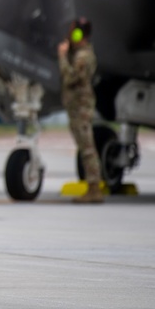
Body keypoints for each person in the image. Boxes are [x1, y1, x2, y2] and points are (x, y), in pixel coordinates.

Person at [57, 17, 105, 204]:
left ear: (79, 34)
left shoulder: (83, 57)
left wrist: (62, 56)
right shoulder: (78, 54)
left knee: (87, 148)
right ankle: (93, 187)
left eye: (73, 31)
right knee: (85, 147)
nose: (69, 35)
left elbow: (70, 78)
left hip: (81, 107)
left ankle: (94, 189)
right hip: (77, 106)